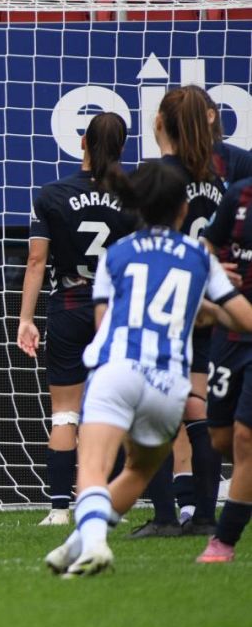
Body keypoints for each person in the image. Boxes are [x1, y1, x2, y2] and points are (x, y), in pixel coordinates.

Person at [44, 161, 252, 577]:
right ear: (183, 210)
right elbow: (243, 319)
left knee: (94, 466)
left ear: (137, 208)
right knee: (139, 470)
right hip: (170, 384)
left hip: (119, 368)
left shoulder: (116, 255)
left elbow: (104, 324)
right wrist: (204, 313)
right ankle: (74, 547)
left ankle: (96, 544)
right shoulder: (199, 256)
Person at [17, 113, 135, 526]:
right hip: (117, 305)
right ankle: (112, 496)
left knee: (65, 411)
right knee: (115, 405)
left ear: (82, 142)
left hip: (68, 302)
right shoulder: (135, 194)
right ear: (122, 146)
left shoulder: (52, 194)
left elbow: (36, 260)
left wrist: (25, 320)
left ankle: (58, 509)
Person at [139, 87, 236, 537]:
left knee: (152, 407)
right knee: (199, 406)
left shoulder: (159, 173)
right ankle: (203, 516)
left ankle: (162, 516)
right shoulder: (226, 170)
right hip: (213, 298)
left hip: (168, 296)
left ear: (161, 123)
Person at [196, 173, 252, 562]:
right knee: (221, 437)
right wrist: (215, 271)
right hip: (230, 333)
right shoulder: (240, 194)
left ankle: (223, 541)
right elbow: (207, 244)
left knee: (247, 438)